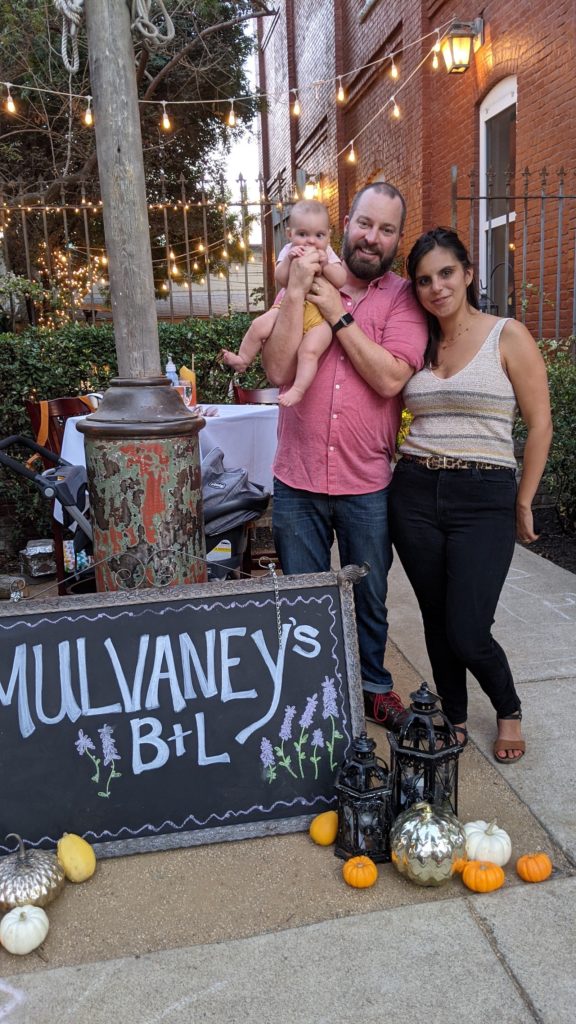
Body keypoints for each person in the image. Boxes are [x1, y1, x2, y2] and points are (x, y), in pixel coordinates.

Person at [262, 182, 428, 731]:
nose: (371, 237)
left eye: (385, 229)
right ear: (345, 224)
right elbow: (278, 373)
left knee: (370, 595)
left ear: (397, 238)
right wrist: (300, 295)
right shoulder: (298, 276)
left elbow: (388, 378)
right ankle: (314, 694)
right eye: (364, 223)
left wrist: (337, 312)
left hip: (365, 479)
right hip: (298, 475)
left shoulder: (403, 298)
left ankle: (374, 686)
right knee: (305, 598)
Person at [388, 227, 552, 761]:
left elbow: (540, 423)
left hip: (484, 495)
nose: (436, 287)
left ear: (469, 273)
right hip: (413, 491)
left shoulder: (507, 335)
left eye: (447, 273)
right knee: (436, 618)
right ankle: (454, 715)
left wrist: (523, 498)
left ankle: (507, 708)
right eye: (424, 280)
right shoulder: (418, 341)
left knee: (467, 625)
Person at [221, 200, 346, 406]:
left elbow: (340, 279)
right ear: (290, 234)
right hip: (286, 309)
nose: (311, 242)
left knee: (309, 352)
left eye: (319, 235)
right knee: (258, 325)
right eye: (303, 234)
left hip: (320, 318)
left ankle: (298, 389)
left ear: (328, 235)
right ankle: (243, 359)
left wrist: (326, 265)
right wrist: (289, 260)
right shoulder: (289, 250)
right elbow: (280, 278)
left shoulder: (328, 253)